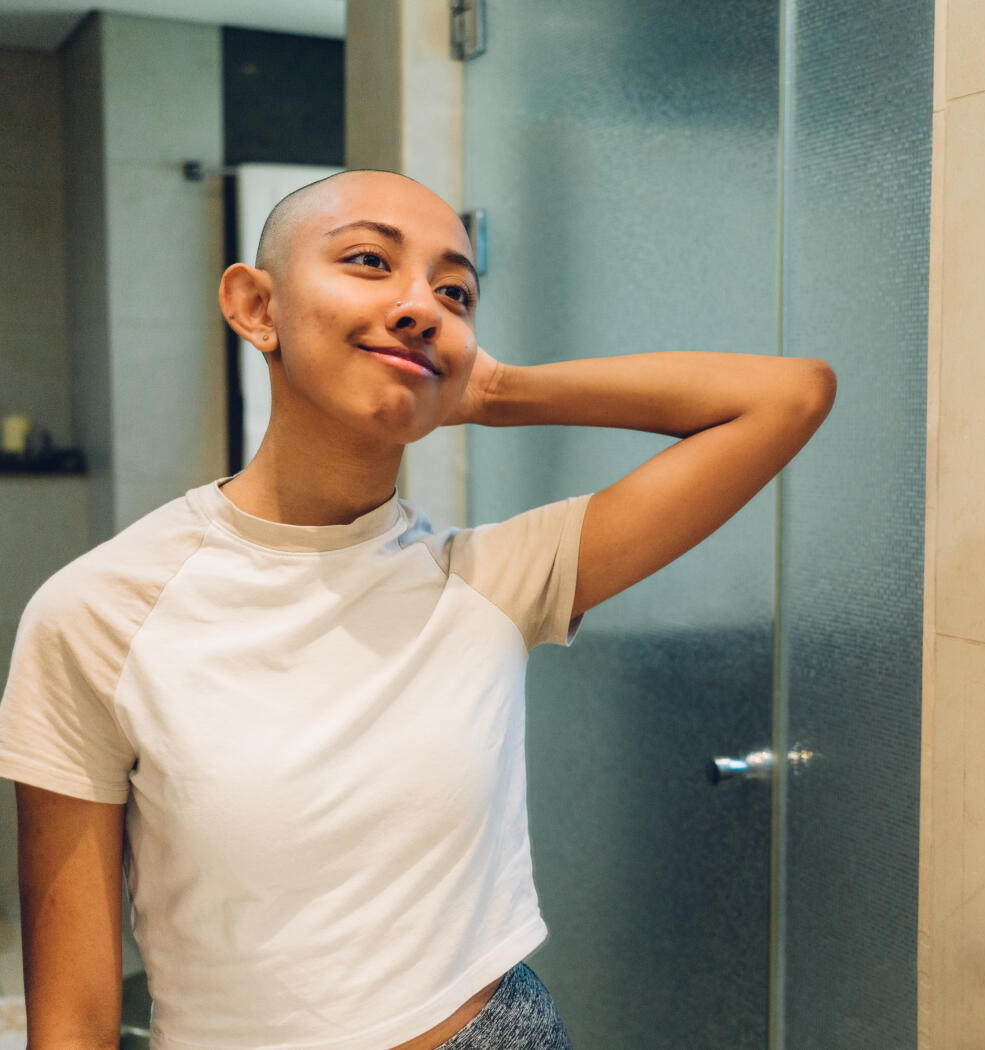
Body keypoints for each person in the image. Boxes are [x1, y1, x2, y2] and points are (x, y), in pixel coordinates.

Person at [0, 169, 834, 1050]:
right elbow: (73, 1021)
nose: (420, 306)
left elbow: (788, 397)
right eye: (368, 260)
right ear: (255, 307)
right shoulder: (99, 612)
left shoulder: (493, 580)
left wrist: (495, 390)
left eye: (454, 293)